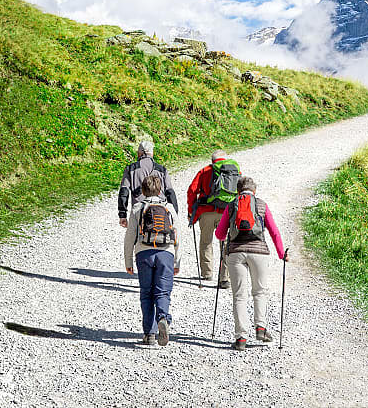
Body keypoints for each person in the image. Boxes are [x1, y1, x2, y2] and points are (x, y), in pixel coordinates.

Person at [214, 176, 286, 350]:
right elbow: (274, 232)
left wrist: (228, 236)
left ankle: (241, 338)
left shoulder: (232, 205)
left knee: (239, 295)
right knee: (259, 291)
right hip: (259, 252)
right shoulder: (261, 205)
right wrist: (282, 254)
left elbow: (219, 234)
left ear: (238, 190)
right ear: (254, 191)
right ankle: (261, 328)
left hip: (236, 253)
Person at [124, 174, 180, 346]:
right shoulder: (169, 208)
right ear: (160, 189)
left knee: (146, 293)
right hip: (166, 253)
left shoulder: (137, 208)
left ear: (143, 190)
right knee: (162, 292)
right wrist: (177, 261)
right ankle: (163, 317)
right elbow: (177, 235)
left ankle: (149, 334)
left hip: (144, 253)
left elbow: (130, 237)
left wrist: (128, 262)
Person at [187, 150, 241, 286]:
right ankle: (224, 277)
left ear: (212, 161)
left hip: (206, 212)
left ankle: (207, 273)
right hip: (227, 213)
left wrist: (191, 212)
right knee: (226, 244)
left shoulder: (205, 171)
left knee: (206, 242)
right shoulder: (234, 171)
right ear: (225, 159)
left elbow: (192, 191)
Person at [118, 141, 178, 228]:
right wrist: (174, 215)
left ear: (139, 153)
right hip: (159, 211)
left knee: (134, 239)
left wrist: (122, 215)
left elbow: (124, 192)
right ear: (152, 153)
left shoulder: (130, 169)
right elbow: (170, 193)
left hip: (138, 211)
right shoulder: (162, 170)